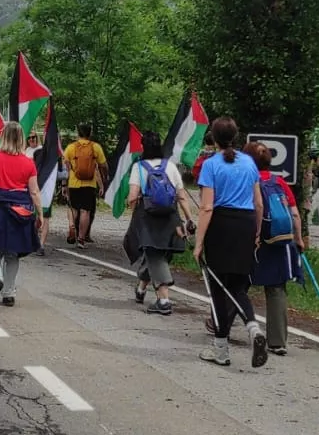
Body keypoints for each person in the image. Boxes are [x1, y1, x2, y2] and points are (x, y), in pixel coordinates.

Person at [193, 117, 269, 369]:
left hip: (221, 224)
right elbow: (258, 202)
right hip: (245, 223)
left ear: (213, 138)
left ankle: (221, 349)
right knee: (238, 286)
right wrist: (257, 231)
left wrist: (199, 241)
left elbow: (206, 207)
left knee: (217, 287)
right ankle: (253, 327)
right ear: (236, 136)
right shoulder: (249, 163)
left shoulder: (210, 165)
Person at [0, 121, 43, 309]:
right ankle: (9, 293)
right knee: (13, 253)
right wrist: (40, 214)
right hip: (20, 209)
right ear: (21, 138)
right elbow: (34, 191)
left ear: (3, 137)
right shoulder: (28, 163)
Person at [122, 137, 196, 315]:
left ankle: (164, 300)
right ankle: (141, 289)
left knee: (154, 255)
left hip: (147, 218)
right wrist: (189, 218)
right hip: (170, 216)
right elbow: (181, 195)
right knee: (158, 253)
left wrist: (132, 205)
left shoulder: (138, 167)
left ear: (143, 148)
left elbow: (132, 197)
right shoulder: (170, 166)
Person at [246, 141, 306, 355]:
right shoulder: (280, 182)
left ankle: (221, 325)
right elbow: (295, 213)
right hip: (281, 242)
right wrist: (298, 239)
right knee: (276, 289)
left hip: (256, 241)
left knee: (239, 284)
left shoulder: (249, 180)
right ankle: (278, 341)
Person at [63, 122, 107, 246]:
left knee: (73, 208)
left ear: (78, 133)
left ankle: (72, 225)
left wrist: (64, 185)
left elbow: (65, 168)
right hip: (89, 184)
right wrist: (104, 179)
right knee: (85, 211)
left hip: (73, 183)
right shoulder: (95, 147)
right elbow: (103, 165)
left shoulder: (71, 147)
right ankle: (81, 239)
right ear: (90, 133)